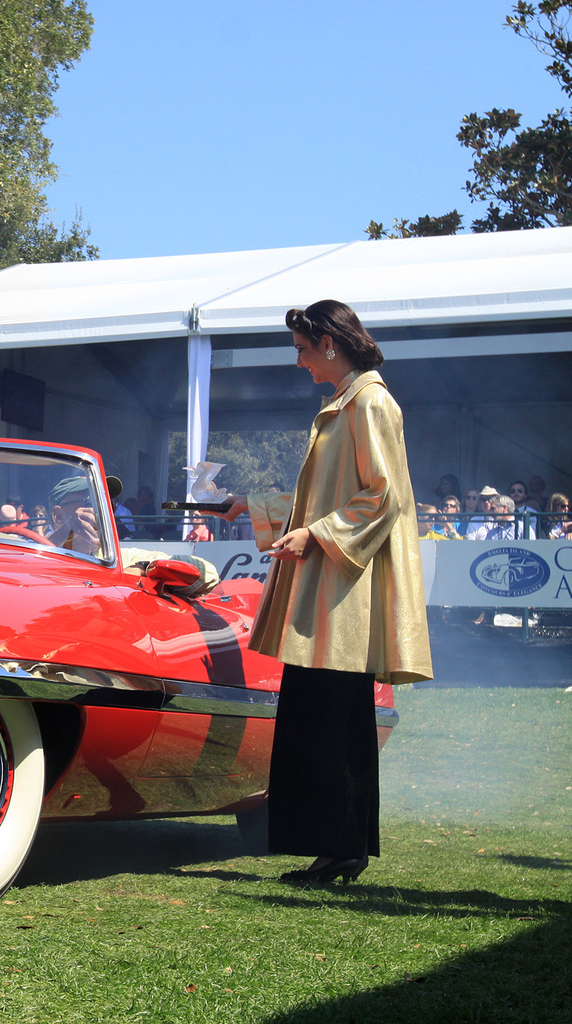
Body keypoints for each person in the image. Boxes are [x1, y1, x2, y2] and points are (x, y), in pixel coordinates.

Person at [212, 300, 430, 886]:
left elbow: (383, 498)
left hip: (344, 596)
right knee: (331, 717)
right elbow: (331, 499)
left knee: (331, 719)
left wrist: (314, 534)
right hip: (333, 590)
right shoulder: (349, 403)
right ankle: (340, 848)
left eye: (304, 350)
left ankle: (339, 849)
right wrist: (257, 507)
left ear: (330, 344)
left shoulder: (370, 402)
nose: (301, 362)